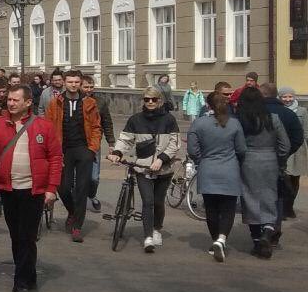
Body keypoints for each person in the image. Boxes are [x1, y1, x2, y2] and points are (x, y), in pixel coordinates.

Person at [0, 84, 62, 292]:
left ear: (28, 103)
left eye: (16, 100)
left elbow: (55, 159)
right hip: (8, 189)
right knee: (17, 236)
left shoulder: (44, 126)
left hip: (33, 191)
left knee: (27, 235)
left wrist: (51, 189)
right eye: (9, 100)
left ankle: (21, 283)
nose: (11, 103)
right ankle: (29, 273)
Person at [109, 87, 181, 253]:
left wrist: (161, 160)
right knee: (148, 202)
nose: (150, 102)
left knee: (158, 202)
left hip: (164, 169)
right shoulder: (135, 119)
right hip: (143, 168)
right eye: (147, 99)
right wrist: (118, 153)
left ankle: (156, 229)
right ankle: (148, 237)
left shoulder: (169, 119)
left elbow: (174, 144)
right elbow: (125, 139)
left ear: (160, 101)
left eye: (153, 99)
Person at [188, 91, 247, 262]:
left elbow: (192, 150)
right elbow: (242, 149)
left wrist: (201, 159)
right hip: (230, 169)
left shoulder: (199, 124)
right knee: (228, 209)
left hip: (208, 169)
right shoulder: (234, 124)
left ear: (208, 105)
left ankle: (216, 240)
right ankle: (222, 239)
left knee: (211, 209)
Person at [44, 70, 101, 243]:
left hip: (84, 149)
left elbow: (96, 127)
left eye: (76, 82)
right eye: (70, 82)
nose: (73, 85)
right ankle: (72, 211)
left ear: (80, 83)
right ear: (64, 83)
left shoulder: (89, 102)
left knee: (82, 188)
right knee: (62, 186)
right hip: (64, 150)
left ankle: (77, 226)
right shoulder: (56, 103)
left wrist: (92, 148)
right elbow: (48, 127)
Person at [235, 87, 289, 259]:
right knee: (269, 197)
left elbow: (237, 145)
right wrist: (279, 161)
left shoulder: (240, 120)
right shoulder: (273, 118)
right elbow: (285, 146)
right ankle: (267, 230)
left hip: (248, 161)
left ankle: (257, 239)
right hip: (270, 161)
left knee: (250, 199)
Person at [261, 83, 304, 243]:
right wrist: (284, 155)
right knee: (277, 195)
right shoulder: (289, 115)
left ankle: (263, 229)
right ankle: (275, 227)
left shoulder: (257, 113)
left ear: (263, 95)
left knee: (259, 195)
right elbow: (297, 138)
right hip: (279, 161)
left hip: (258, 160)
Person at [82, 75, 115, 213]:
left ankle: (92, 195)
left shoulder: (100, 101)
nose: (88, 90)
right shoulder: (74, 101)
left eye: (91, 87)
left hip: (94, 143)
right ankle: (78, 202)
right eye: (86, 87)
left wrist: (111, 142)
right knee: (77, 176)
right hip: (77, 143)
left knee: (94, 177)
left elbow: (107, 122)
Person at [280, 86, 307, 222]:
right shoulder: (280, 111)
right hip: (285, 147)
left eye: (290, 96)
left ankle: (289, 206)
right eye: (284, 96)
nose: (287, 99)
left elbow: (305, 131)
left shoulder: (302, 111)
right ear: (280, 97)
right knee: (286, 179)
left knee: (295, 179)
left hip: (298, 149)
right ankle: (285, 207)